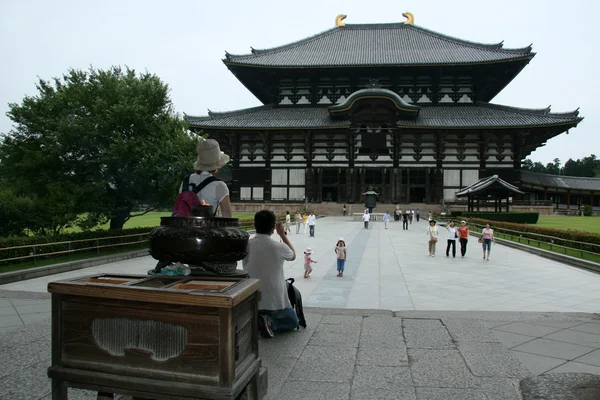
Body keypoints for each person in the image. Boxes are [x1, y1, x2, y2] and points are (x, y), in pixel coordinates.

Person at [242, 210, 298, 338]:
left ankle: (257, 320)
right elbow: (293, 255)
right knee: (293, 321)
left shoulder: (246, 245)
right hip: (275, 303)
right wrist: (282, 235)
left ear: (254, 225)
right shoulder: (279, 247)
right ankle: (270, 323)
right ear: (273, 228)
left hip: (251, 300)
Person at [180, 139, 232, 217]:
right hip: (209, 228)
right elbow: (227, 217)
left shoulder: (185, 181)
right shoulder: (219, 186)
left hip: (185, 227)